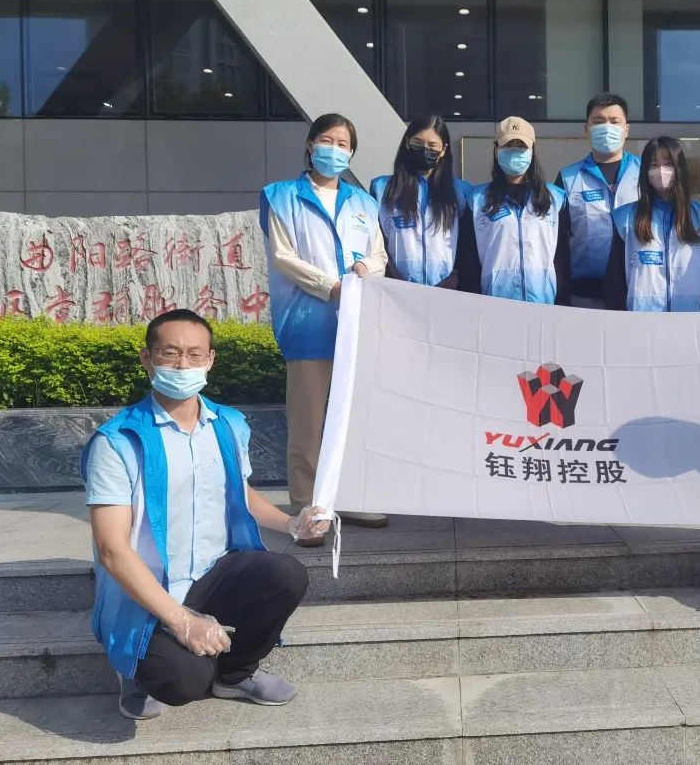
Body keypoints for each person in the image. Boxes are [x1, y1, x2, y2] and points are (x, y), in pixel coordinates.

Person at [82, 310, 325, 720]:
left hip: (211, 572)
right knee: (184, 681)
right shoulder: (118, 441)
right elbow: (111, 550)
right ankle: (134, 668)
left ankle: (235, 673)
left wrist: (291, 523)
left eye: (194, 354)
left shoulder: (227, 424)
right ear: (147, 358)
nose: (183, 365)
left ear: (210, 360)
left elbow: (239, 493)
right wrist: (180, 620)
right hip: (149, 588)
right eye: (170, 353)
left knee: (286, 574)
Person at [260, 112, 389, 543]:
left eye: (343, 144)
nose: (335, 150)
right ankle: (306, 507)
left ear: (352, 153)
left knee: (353, 418)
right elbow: (284, 257)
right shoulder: (281, 197)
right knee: (308, 421)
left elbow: (379, 254)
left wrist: (366, 267)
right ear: (310, 145)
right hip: (307, 321)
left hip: (356, 323)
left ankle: (348, 498)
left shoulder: (363, 202)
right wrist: (330, 286)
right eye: (327, 141)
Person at [460, 116, 569, 304]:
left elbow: (562, 258)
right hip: (495, 306)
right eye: (508, 145)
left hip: (543, 305)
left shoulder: (555, 199)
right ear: (496, 150)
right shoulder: (476, 200)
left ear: (532, 150)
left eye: (521, 146)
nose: (515, 151)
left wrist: (563, 302)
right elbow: (469, 261)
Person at [605, 136, 700, 312]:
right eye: (654, 165)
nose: (661, 171)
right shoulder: (624, 218)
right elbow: (615, 280)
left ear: (679, 168)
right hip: (640, 321)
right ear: (645, 171)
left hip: (689, 319)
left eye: (668, 164)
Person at [370, 114, 475, 289]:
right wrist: (392, 277)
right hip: (396, 290)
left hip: (447, 290)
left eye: (432, 145)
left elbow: (468, 245)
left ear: (443, 150)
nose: (424, 150)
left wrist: (455, 280)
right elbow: (376, 242)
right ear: (407, 142)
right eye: (418, 143)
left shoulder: (462, 192)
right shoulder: (382, 188)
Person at [557, 92, 641, 308]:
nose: (606, 127)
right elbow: (559, 244)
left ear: (626, 129)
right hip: (584, 294)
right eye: (598, 121)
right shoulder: (568, 178)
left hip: (636, 290)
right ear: (586, 129)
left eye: (614, 121)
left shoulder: (644, 173)